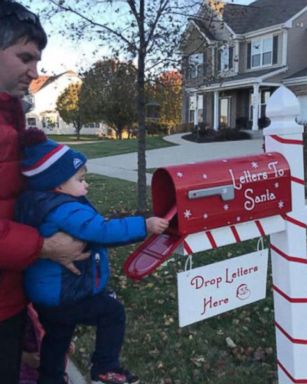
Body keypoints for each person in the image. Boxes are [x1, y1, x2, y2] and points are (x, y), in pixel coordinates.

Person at [16, 128, 169, 384]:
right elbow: (102, 230)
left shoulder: (36, 201)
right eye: (79, 179)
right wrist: (144, 225)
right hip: (65, 294)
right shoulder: (65, 209)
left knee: (57, 338)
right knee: (112, 313)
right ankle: (105, 367)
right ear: (58, 184)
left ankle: (50, 378)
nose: (86, 184)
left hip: (46, 297)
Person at [0, 2, 89, 383]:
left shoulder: (12, 118)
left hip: (13, 295)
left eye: (37, 61)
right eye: (25, 57)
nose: (35, 72)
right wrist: (44, 247)